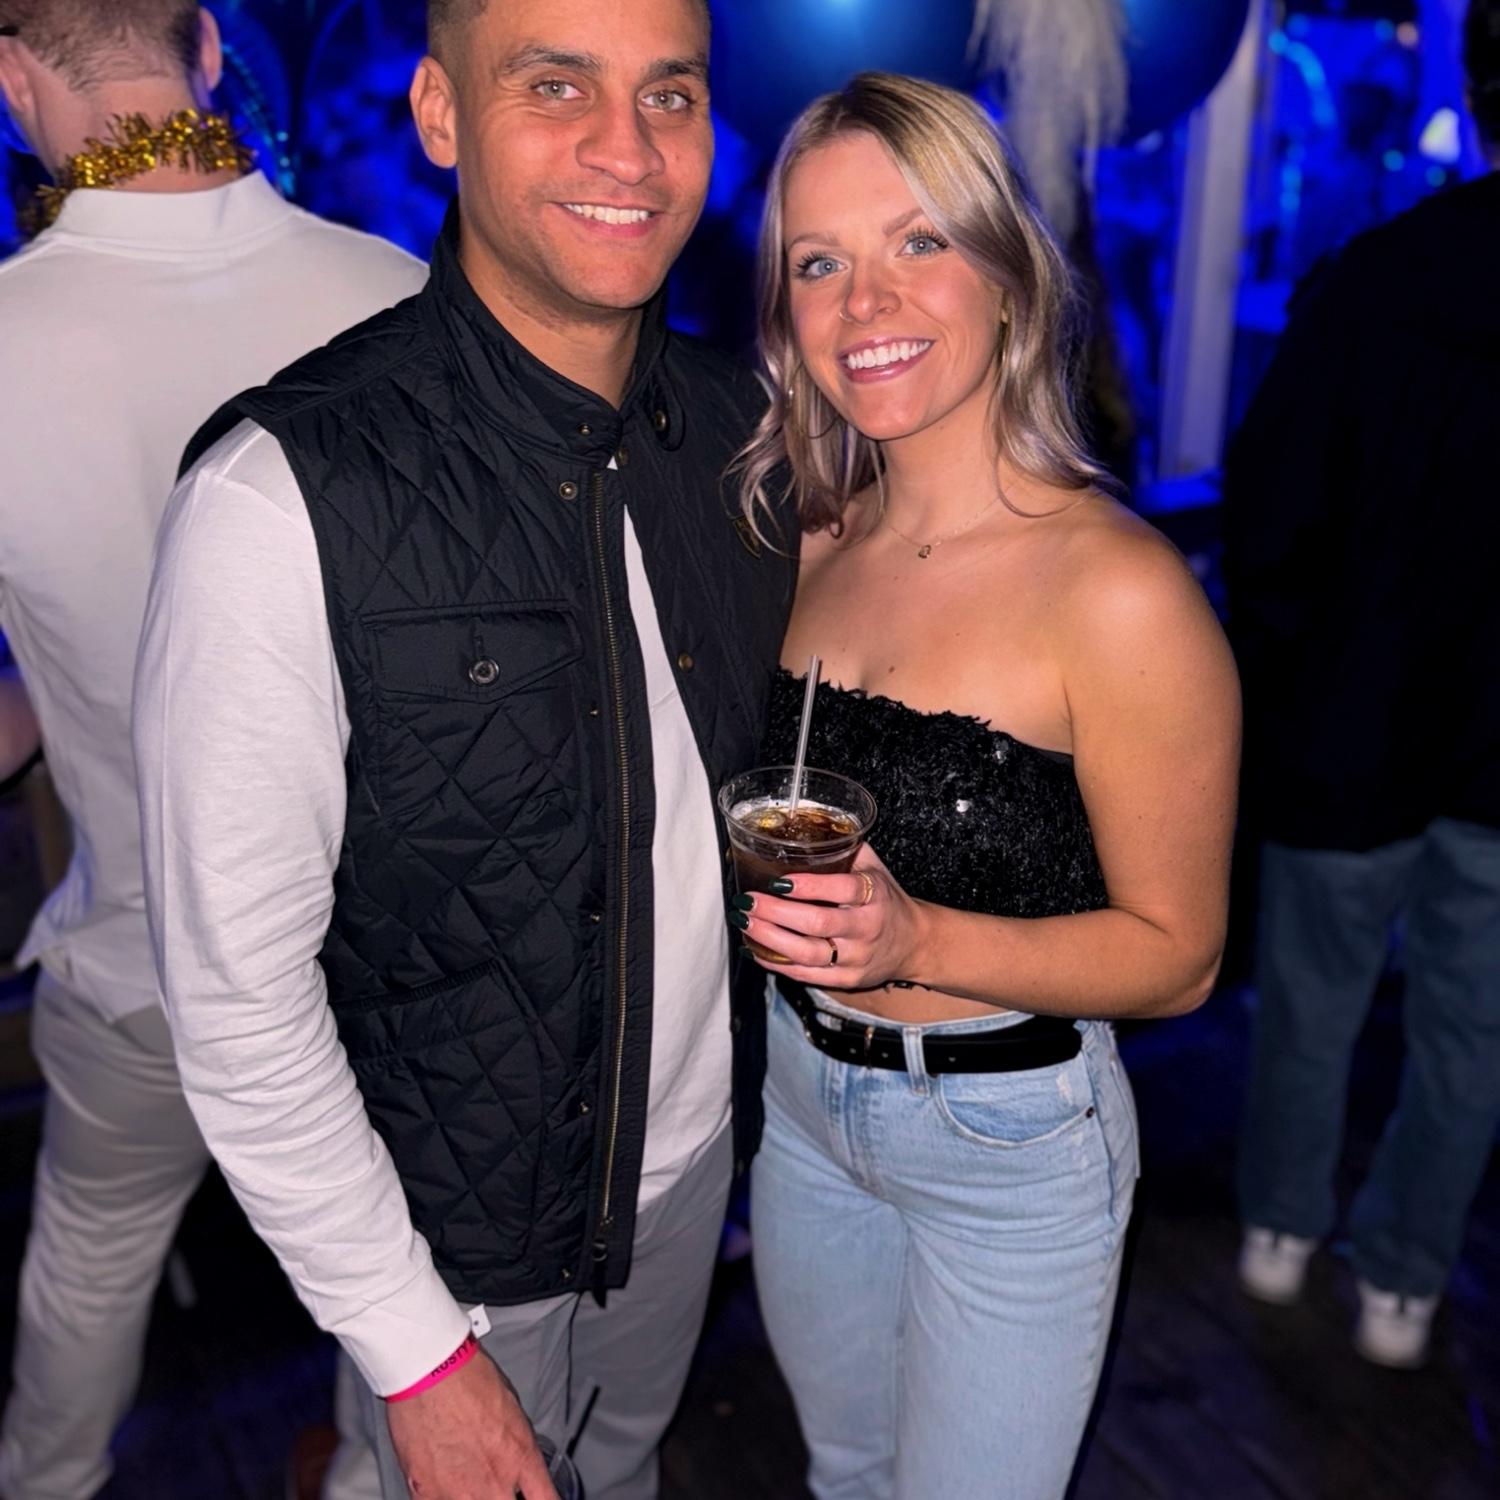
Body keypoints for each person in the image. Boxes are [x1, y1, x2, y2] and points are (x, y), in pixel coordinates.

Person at [132, 0, 794, 1497]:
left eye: (670, 94)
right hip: (461, 1262)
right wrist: (416, 1352)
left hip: (690, 1178)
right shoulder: (278, 497)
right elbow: (236, 1004)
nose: (628, 149)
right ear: (440, 114)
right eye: (555, 86)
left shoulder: (737, 431)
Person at [727, 74, 1240, 1500]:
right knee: (844, 1474)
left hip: (1008, 1143)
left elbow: (1183, 958)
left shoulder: (1120, 592)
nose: (865, 303)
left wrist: (918, 939)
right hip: (800, 1102)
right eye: (818, 263)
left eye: (919, 242)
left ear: (1009, 277)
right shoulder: (807, 539)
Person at [0, 5, 426, 1496]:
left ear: (10, 74)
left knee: (87, 1270)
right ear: (200, 50)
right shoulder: (396, 296)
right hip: (379, 960)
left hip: (146, 961)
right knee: (397, 1281)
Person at [1226, 0, 1500, 1372]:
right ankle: (1404, 1284)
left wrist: (1290, 671)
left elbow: (1273, 506)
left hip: (1352, 720)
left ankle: (1281, 1230)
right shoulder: (1375, 274)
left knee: (1315, 997)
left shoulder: (1377, 277)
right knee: (1472, 1030)